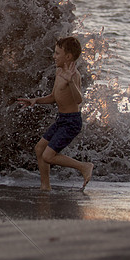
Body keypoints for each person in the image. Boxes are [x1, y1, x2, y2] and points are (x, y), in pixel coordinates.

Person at [18, 37, 94, 190]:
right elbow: (54, 97)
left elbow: (78, 99)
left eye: (57, 53)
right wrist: (35, 100)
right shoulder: (59, 71)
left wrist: (71, 81)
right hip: (62, 119)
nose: (54, 56)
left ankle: (84, 167)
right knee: (39, 149)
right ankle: (45, 186)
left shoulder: (74, 75)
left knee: (48, 155)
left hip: (72, 122)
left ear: (68, 57)